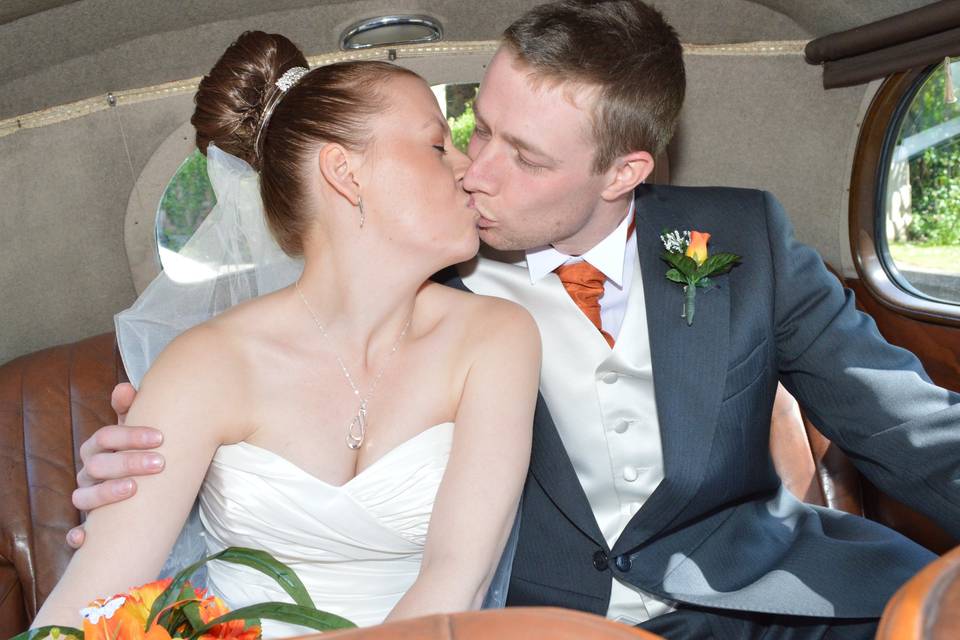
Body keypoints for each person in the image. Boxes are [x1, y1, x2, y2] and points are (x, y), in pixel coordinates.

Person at [72, 1, 960, 638]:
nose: (473, 172)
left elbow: (905, 426)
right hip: (542, 620)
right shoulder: (428, 281)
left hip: (774, 596)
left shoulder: (743, 237)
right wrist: (154, 462)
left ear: (623, 173)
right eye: (471, 128)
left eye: (522, 156)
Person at [33, 31, 539, 635]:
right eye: (438, 146)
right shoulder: (207, 363)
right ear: (345, 173)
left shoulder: (496, 338)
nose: (470, 171)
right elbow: (88, 600)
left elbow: (459, 575)